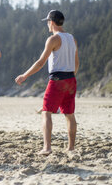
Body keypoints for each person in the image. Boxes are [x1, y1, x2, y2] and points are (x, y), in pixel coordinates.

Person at [15, 10, 79, 156]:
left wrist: (24, 75)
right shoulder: (72, 38)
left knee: (46, 112)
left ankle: (47, 147)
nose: (47, 25)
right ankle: (71, 148)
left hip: (57, 80)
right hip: (71, 79)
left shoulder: (53, 39)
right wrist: (70, 78)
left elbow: (40, 63)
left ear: (52, 22)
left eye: (47, 22)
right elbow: (76, 63)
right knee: (69, 114)